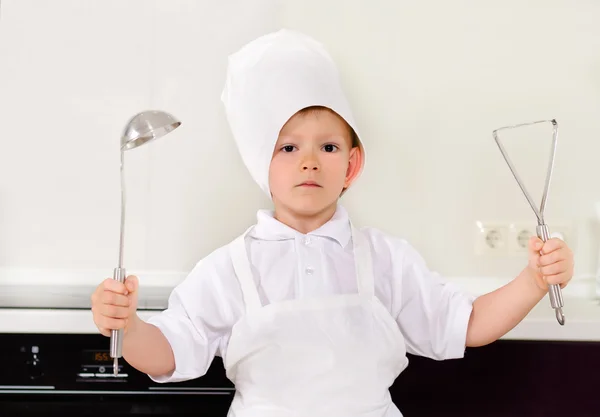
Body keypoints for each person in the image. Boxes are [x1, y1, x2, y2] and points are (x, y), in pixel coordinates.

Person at [91, 29, 574, 417]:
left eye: (327, 147)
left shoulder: (387, 259)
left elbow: (466, 324)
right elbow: (172, 353)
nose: (309, 162)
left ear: (352, 164)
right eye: (287, 147)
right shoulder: (228, 269)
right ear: (263, 164)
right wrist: (128, 328)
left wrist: (534, 280)